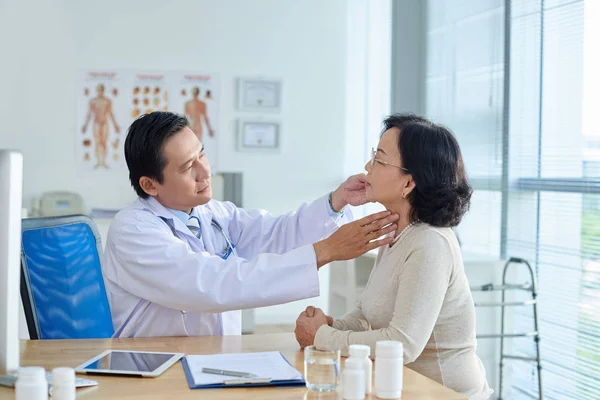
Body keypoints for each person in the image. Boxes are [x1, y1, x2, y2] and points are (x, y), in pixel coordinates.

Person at [102, 111, 399, 338]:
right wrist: (324, 252)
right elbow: (209, 283)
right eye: (187, 166)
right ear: (150, 185)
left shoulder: (213, 214)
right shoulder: (133, 231)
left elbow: (276, 233)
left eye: (201, 154)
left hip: (212, 361)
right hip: (151, 370)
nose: (205, 172)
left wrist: (336, 202)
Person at [294, 114, 492, 399]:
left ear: (408, 183)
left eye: (379, 159)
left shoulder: (429, 243)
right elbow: (366, 313)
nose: (367, 167)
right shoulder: (397, 232)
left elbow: (403, 344)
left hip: (445, 393)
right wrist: (330, 325)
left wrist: (322, 338)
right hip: (406, 387)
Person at [82, 84, 120, 168]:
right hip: (96, 123)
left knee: (103, 142)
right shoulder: (92, 101)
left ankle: (103, 161)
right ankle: (98, 161)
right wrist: (85, 125)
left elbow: (110, 114)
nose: (100, 91)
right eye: (99, 90)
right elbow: (89, 114)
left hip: (105, 123)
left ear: (103, 90)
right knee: (97, 142)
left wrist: (115, 125)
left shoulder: (107, 101)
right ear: (97, 90)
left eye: (101, 90)